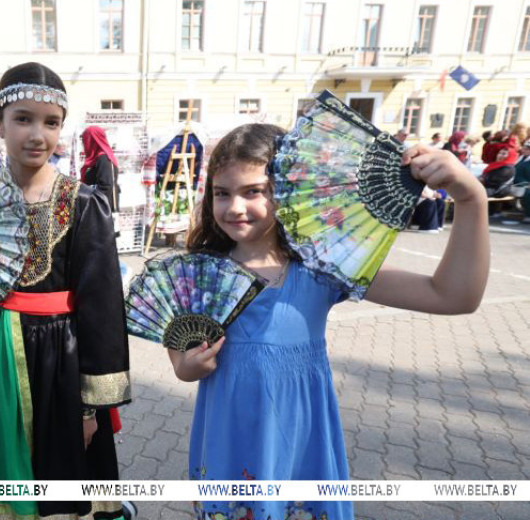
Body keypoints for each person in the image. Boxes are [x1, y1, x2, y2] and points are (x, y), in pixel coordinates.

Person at [176, 123, 489, 520]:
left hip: (299, 449)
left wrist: (471, 198)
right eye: (222, 193)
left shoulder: (322, 266)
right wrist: (190, 366)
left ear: (288, 189)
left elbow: (454, 296)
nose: (234, 207)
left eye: (254, 191)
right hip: (229, 444)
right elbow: (181, 364)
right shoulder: (197, 275)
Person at [0, 62, 131, 520]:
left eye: (51, 122)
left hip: (63, 359)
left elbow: (102, 310)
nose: (38, 134)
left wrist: (89, 408)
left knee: (63, 481)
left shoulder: (83, 202)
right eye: (23, 119)